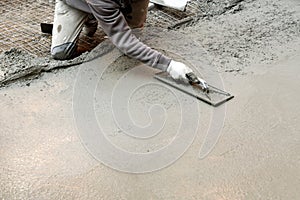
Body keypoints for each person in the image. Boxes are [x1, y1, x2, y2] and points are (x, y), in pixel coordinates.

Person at [51, 0, 193, 81]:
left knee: (135, 37)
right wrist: (169, 65)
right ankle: (91, 15)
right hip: (75, 2)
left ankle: (104, 14)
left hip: (108, 4)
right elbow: (124, 41)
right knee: (62, 52)